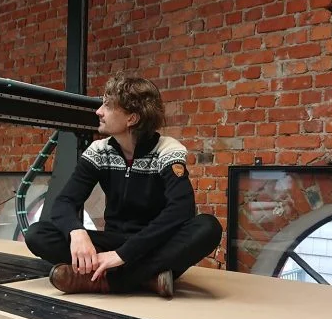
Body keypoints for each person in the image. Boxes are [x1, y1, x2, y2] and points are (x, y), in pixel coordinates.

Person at [24, 73, 223, 298]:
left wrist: (123, 255)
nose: (99, 112)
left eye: (108, 106)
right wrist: (76, 232)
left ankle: (109, 281)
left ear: (132, 119)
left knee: (208, 227)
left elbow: (181, 209)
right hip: (113, 242)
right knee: (37, 234)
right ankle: (147, 278)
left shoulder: (167, 150)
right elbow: (65, 201)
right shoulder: (99, 151)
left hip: (153, 242)